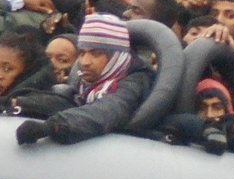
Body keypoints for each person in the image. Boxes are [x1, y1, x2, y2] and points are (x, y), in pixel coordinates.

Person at [14, 14, 156, 146]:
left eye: (96, 53)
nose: (85, 62)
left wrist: (53, 126)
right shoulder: (84, 83)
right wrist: (18, 103)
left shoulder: (134, 83)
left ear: (116, 55)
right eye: (82, 53)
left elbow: (107, 110)